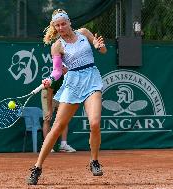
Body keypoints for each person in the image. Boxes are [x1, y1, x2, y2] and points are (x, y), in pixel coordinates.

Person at [27, 9, 107, 185]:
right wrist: (49, 79)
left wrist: (99, 46)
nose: (61, 27)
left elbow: (101, 49)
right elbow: (57, 71)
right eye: (58, 25)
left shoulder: (84, 33)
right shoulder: (57, 46)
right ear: (55, 27)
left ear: (69, 22)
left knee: (94, 123)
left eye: (64, 23)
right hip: (73, 83)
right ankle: (37, 167)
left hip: (92, 79)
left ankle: (94, 161)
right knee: (57, 127)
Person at [41, 66, 76, 153]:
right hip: (49, 94)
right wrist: (49, 110)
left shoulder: (72, 76)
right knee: (47, 119)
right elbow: (49, 94)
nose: (63, 69)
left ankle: (63, 145)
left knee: (64, 119)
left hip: (60, 95)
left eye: (66, 67)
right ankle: (47, 145)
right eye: (62, 67)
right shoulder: (56, 77)